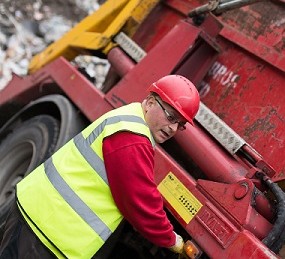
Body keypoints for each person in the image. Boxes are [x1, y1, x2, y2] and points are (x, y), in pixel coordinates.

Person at [0, 74, 200, 259]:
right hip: (49, 232)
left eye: (180, 124)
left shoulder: (128, 117)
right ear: (149, 102)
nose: (173, 128)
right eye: (171, 117)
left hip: (37, 213)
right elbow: (140, 202)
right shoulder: (134, 137)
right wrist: (174, 241)